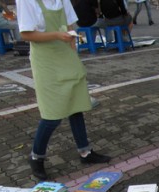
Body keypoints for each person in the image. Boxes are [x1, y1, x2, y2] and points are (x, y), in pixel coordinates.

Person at [17, 0, 111, 181]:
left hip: (66, 55)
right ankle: (36, 157)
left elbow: (69, 26)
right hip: (46, 61)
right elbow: (26, 34)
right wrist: (57, 35)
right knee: (52, 114)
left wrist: (72, 51)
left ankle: (85, 151)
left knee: (76, 106)